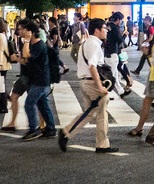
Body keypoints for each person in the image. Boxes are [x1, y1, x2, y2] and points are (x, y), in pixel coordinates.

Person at [58, 18, 118, 153]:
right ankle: (102, 144)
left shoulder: (86, 43)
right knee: (102, 113)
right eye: (104, 28)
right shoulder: (94, 45)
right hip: (92, 83)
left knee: (89, 113)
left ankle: (66, 132)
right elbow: (92, 67)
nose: (106, 31)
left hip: (85, 82)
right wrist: (100, 86)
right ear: (97, 30)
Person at [19, 19, 56, 141]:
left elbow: (26, 55)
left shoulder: (39, 45)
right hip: (36, 79)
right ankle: (51, 129)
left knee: (29, 104)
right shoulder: (34, 45)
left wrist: (26, 41)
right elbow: (26, 61)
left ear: (29, 31)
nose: (19, 31)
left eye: (21, 29)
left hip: (41, 80)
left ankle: (32, 130)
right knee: (43, 105)